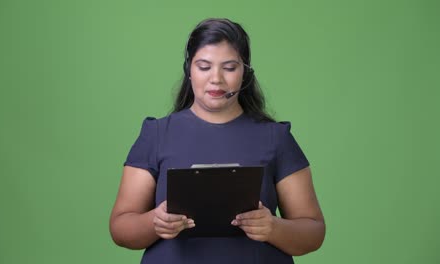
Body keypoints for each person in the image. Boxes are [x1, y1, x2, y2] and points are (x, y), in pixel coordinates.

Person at [109, 18, 325, 263]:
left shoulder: (276, 137)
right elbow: (120, 227)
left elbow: (313, 231)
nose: (216, 79)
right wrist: (154, 222)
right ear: (189, 70)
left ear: (245, 73)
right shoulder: (157, 133)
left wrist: (273, 227)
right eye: (204, 67)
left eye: (230, 68)